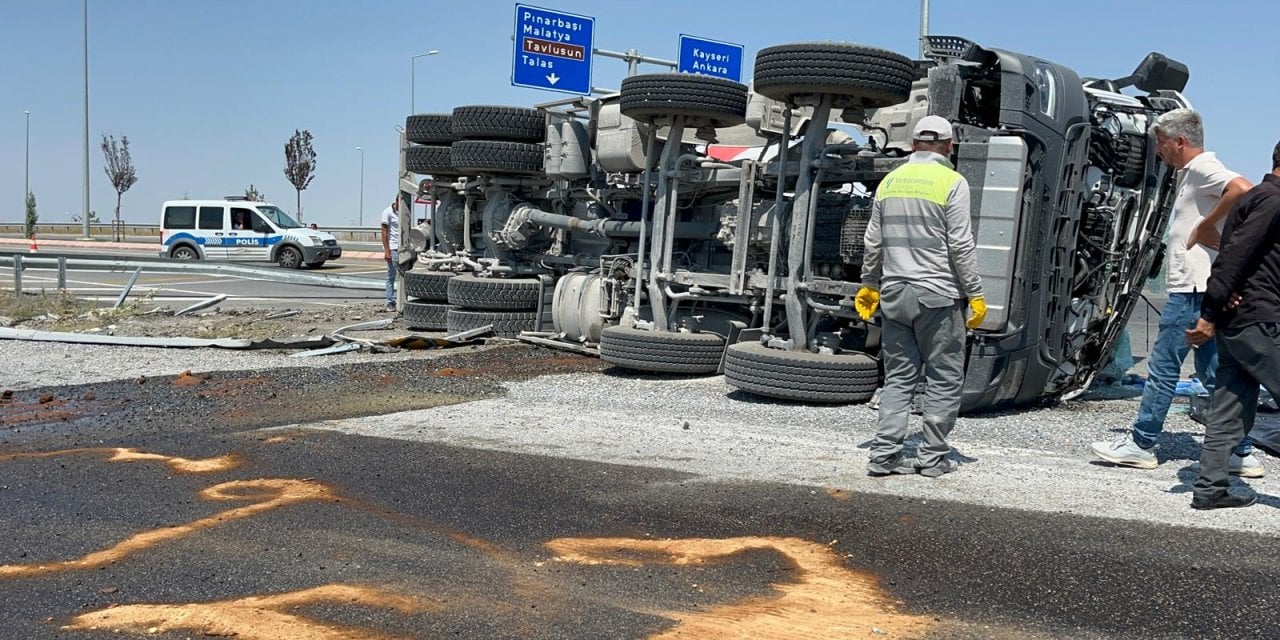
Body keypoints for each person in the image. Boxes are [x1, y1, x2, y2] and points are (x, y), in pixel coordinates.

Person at [1090, 109, 1262, 476]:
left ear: (1179, 142)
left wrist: (1205, 226)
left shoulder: (1202, 168)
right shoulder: (1191, 175)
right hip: (1204, 289)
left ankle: (1141, 443)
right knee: (1215, 373)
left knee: (1164, 368)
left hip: (1191, 291)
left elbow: (1243, 189)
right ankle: (1241, 451)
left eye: (1161, 143)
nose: (1158, 152)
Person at [856, 115, 985, 478]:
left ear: (913, 145)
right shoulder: (952, 182)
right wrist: (974, 293)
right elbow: (960, 243)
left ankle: (883, 456)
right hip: (938, 295)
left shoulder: (890, 181)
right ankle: (931, 459)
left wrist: (869, 284)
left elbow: (873, 241)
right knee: (944, 377)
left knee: (898, 378)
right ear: (949, 146)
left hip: (895, 294)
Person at [1184, 140, 1280, 509]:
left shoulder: (1252, 198)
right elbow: (1233, 258)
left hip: (1239, 322)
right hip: (1259, 322)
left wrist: (1218, 310)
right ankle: (1211, 487)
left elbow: (1234, 254)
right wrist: (1209, 312)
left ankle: (1210, 488)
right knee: (1229, 406)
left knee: (1228, 407)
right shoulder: (1272, 201)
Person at [380, 198, 400, 311]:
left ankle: (403, 299)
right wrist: (387, 251)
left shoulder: (404, 212)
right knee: (391, 275)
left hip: (402, 247)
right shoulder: (387, 212)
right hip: (392, 248)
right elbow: (384, 232)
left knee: (403, 275)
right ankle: (390, 301)